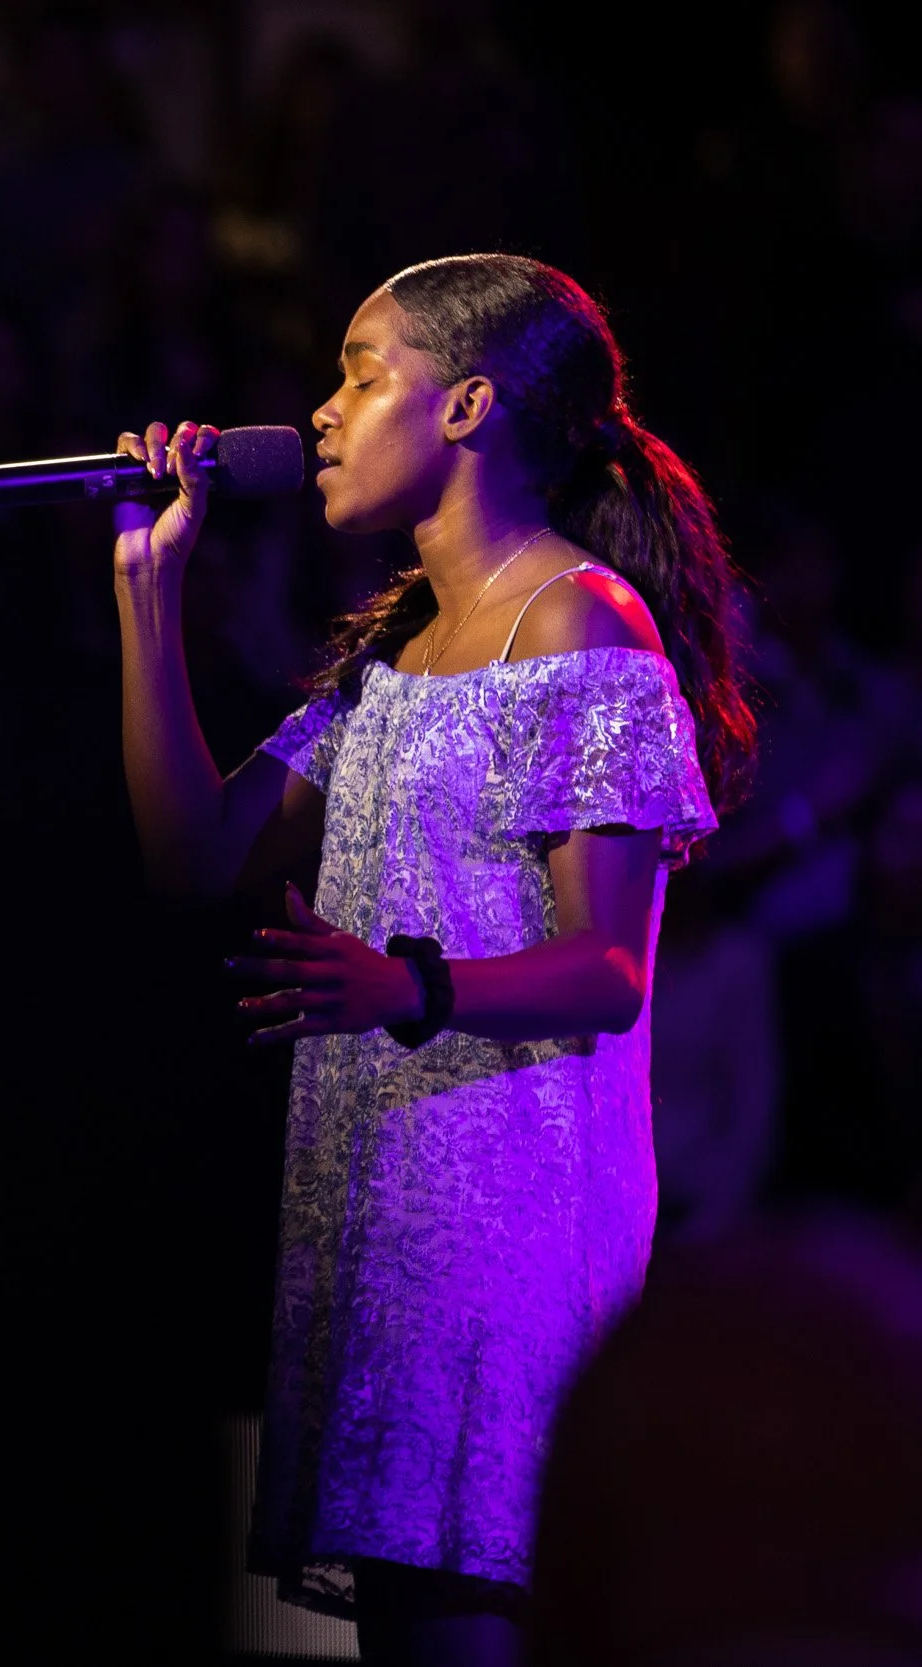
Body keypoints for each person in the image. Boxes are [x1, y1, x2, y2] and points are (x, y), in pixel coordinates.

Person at [108, 255, 756, 1665]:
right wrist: (147, 595)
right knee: (411, 1623)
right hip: (374, 1213)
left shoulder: (585, 624)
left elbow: (609, 970)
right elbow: (195, 856)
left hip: (508, 1214)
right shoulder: (390, 658)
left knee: (467, 1614)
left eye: (359, 370)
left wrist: (410, 984)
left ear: (466, 404)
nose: (324, 414)